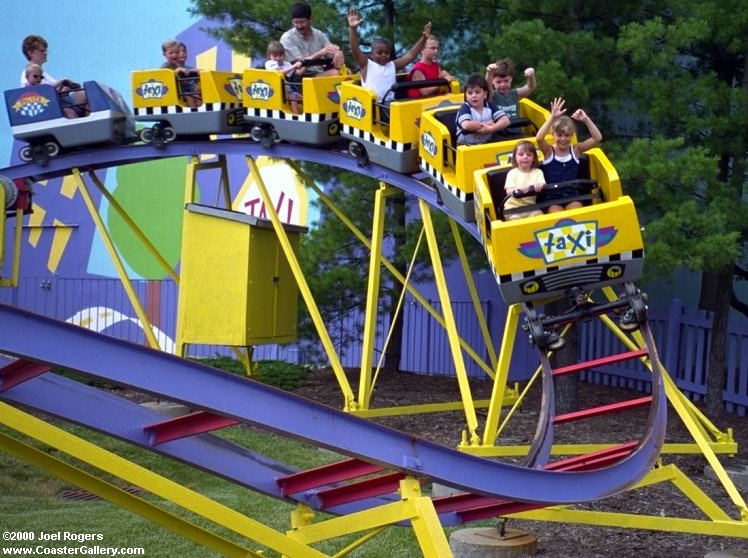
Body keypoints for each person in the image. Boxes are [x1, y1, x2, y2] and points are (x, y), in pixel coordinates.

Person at [347, 8, 431, 120]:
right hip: (375, 108)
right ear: (372, 54)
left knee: (414, 106)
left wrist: (424, 38)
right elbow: (355, 48)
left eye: (386, 53)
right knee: (402, 112)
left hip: (392, 104)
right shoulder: (366, 65)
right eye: (379, 53)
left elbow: (410, 55)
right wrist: (353, 29)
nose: (383, 55)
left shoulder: (392, 65)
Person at [535, 97, 602, 212]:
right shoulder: (549, 151)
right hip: (552, 196)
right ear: (553, 135)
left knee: (575, 212)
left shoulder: (576, 149)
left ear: (572, 135)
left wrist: (586, 119)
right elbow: (539, 138)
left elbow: (597, 137)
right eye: (559, 135)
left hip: (572, 194)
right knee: (557, 214)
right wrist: (552, 118)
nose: (563, 139)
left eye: (567, 135)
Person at [20, 34, 89, 117]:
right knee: (83, 95)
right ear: (30, 53)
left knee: (87, 96)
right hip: (51, 109)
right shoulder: (28, 74)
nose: (45, 53)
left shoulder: (44, 74)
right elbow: (36, 95)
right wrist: (60, 89)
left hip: (61, 103)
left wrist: (64, 90)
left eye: (46, 51)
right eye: (42, 51)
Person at [280, 2, 344, 78]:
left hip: (317, 74)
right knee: (336, 74)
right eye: (296, 22)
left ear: (310, 20)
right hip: (298, 78)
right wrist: (320, 53)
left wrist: (338, 52)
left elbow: (330, 49)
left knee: (347, 72)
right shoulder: (287, 38)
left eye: (302, 22)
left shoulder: (319, 34)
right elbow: (300, 65)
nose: (299, 26)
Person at [485, 58, 537, 137]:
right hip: (498, 136)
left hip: (517, 134)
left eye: (506, 81)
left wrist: (531, 76)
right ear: (492, 81)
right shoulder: (492, 95)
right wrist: (489, 74)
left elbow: (530, 87)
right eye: (498, 82)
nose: (502, 85)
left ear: (511, 79)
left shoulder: (515, 94)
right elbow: (487, 87)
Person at [455, 75, 510, 145]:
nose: (473, 95)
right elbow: (466, 125)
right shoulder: (465, 107)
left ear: (485, 94)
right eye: (470, 93)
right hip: (465, 145)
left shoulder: (490, 106)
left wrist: (491, 128)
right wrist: (488, 124)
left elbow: (506, 120)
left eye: (477, 92)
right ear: (465, 95)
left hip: (486, 144)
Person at [503, 140, 545, 220]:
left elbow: (542, 185)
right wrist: (517, 190)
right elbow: (508, 190)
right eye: (521, 154)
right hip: (513, 208)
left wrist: (539, 186)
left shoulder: (538, 172)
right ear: (515, 157)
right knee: (515, 219)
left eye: (529, 155)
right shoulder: (512, 173)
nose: (525, 157)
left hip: (531, 208)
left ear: (534, 158)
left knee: (540, 216)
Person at [406, 34, 455, 99]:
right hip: (418, 104)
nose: (436, 51)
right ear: (422, 50)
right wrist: (443, 81)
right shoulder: (418, 70)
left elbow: (441, 88)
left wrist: (444, 75)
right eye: (432, 48)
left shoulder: (436, 65)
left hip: (434, 101)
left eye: (437, 48)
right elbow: (424, 92)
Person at [265, 40, 303, 114]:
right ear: (269, 56)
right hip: (276, 90)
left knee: (301, 97)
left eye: (280, 55)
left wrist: (303, 63)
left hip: (287, 89)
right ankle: (295, 115)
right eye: (275, 56)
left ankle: (307, 113)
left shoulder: (286, 64)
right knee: (292, 97)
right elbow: (278, 73)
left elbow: (298, 72)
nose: (278, 58)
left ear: (284, 55)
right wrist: (294, 66)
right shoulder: (270, 63)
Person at [161, 39, 202, 108]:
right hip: (175, 93)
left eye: (176, 53)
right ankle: (192, 112)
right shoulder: (166, 66)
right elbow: (164, 77)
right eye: (171, 53)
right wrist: (177, 71)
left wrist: (197, 72)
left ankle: (200, 111)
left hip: (188, 91)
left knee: (196, 96)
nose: (174, 55)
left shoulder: (184, 66)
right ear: (165, 54)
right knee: (189, 97)